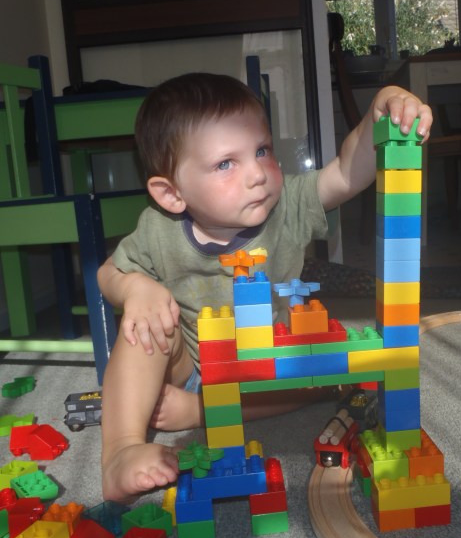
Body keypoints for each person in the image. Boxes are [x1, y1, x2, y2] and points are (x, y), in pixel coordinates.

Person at [98, 71, 432, 501]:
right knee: (142, 327)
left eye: (262, 150)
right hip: (190, 360)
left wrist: (380, 110)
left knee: (322, 375)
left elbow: (348, 171)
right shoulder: (158, 229)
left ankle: (201, 411)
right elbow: (108, 273)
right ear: (171, 194)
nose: (257, 173)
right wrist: (135, 290)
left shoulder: (288, 205)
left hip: (268, 361)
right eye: (225, 164)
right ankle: (121, 449)